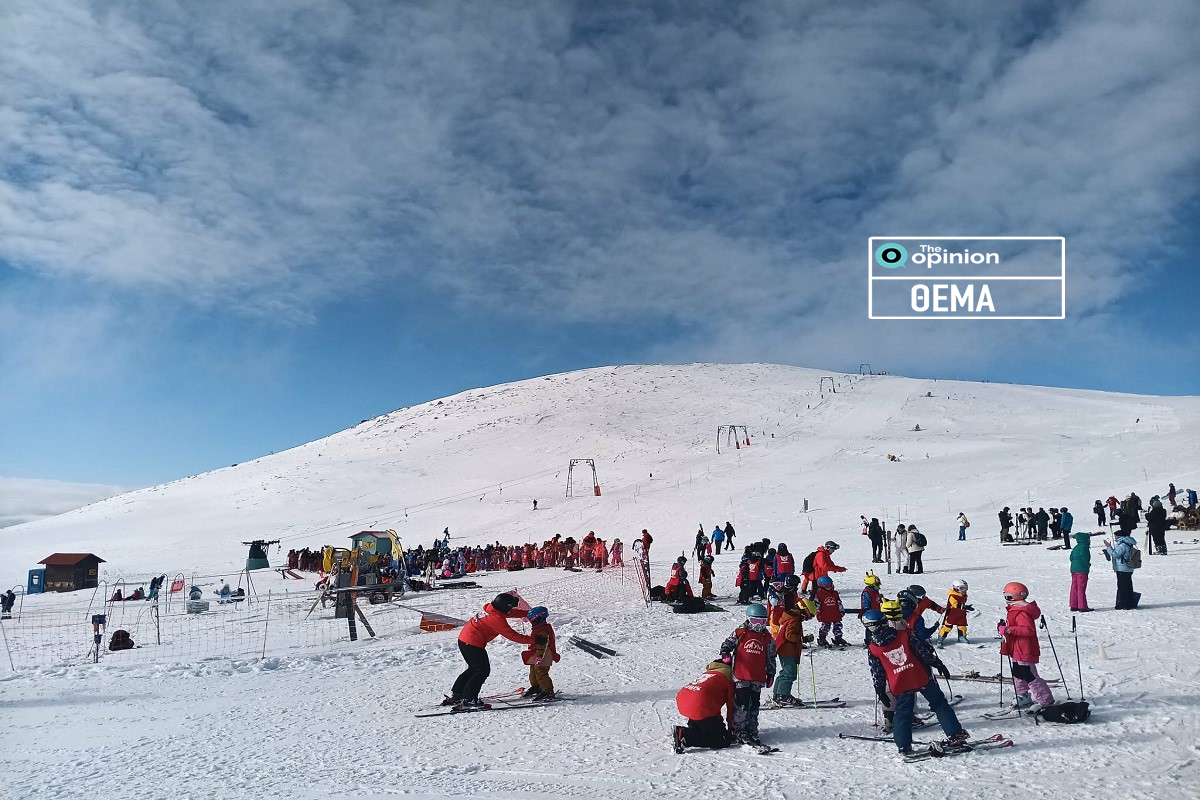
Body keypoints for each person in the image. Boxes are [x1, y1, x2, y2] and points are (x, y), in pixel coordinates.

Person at [864, 610, 967, 756]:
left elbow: (877, 671)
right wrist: (937, 663)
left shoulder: (873, 648)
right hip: (919, 676)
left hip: (899, 683)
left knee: (902, 713)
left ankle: (903, 746)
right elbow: (922, 651)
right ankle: (956, 735)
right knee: (939, 704)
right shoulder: (903, 634)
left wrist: (880, 689)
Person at [446, 592, 534, 709]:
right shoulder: (496, 619)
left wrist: (528, 613)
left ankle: (457, 694)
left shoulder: (491, 608)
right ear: (505, 607)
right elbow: (513, 635)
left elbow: (510, 612)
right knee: (482, 671)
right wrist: (533, 640)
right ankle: (469, 699)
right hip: (472, 643)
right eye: (510, 607)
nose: (511, 609)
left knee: (474, 669)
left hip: (465, 640)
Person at [719, 604, 777, 747]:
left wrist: (770, 673)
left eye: (762, 622)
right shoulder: (740, 633)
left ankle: (752, 728)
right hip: (741, 675)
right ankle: (739, 729)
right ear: (748, 619)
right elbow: (727, 644)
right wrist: (725, 653)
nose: (758, 625)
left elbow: (771, 657)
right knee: (742, 703)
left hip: (757, 676)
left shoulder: (767, 638)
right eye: (755, 621)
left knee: (754, 704)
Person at [999, 582, 1055, 713]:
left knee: (1029, 674)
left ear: (1013, 597)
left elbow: (1027, 630)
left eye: (1007, 596)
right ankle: (1022, 695)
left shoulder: (1021, 611)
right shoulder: (1016, 608)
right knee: (1018, 672)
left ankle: (1045, 700)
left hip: (1024, 648)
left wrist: (1008, 629)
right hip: (1016, 647)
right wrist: (1004, 627)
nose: (1006, 599)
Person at [673, 660, 736, 753]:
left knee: (705, 724)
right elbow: (731, 707)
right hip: (700, 706)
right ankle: (686, 736)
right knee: (723, 740)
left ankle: (692, 729)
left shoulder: (709, 673)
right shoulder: (729, 677)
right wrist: (731, 728)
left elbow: (711, 699)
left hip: (684, 699)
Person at [771, 597, 817, 706]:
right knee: (790, 673)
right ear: (805, 611)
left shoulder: (790, 617)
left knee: (785, 672)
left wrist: (802, 638)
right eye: (809, 616)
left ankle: (778, 694)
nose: (807, 619)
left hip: (784, 649)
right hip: (788, 651)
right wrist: (803, 639)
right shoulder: (794, 621)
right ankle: (783, 695)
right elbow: (789, 635)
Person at [522, 606, 560, 700]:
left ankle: (548, 691)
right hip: (537, 653)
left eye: (533, 620)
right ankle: (536, 687)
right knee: (533, 671)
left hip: (544, 654)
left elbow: (542, 645)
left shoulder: (543, 630)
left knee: (541, 672)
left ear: (539, 618)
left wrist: (539, 657)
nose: (531, 622)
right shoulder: (538, 628)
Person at [1102, 530, 1140, 610]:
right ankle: (1129, 603)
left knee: (1122, 587)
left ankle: (1123, 604)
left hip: (1122, 568)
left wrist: (1108, 547)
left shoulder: (1122, 545)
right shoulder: (1128, 543)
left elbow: (1115, 555)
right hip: (1128, 568)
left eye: (1115, 536)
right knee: (1128, 586)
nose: (1115, 538)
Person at [813, 576, 848, 648]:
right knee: (825, 626)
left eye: (830, 585)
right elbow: (816, 605)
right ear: (821, 586)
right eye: (827, 586)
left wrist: (841, 610)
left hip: (835, 613)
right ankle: (822, 638)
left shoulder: (835, 593)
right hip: (825, 614)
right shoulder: (819, 594)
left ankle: (838, 637)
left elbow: (839, 603)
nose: (829, 587)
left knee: (838, 626)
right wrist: (817, 613)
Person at [937, 580, 973, 646]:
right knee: (948, 626)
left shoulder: (963, 595)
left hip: (961, 613)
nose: (964, 590)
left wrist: (964, 607)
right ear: (956, 588)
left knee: (962, 626)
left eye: (965, 588)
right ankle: (941, 637)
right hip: (952, 614)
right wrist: (964, 607)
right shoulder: (953, 596)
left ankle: (961, 637)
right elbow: (955, 605)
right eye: (962, 588)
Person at [1069, 532, 1094, 612]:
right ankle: (1082, 606)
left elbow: (1071, 557)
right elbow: (1084, 557)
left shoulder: (1076, 547)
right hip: (1082, 569)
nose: (1089, 540)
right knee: (1081, 587)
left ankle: (1074, 605)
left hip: (1073, 569)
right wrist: (1088, 564)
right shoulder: (1084, 547)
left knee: (1074, 587)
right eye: (1088, 539)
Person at [859, 573, 883, 646]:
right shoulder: (867, 593)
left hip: (876, 614)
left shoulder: (875, 591)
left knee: (878, 627)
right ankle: (869, 641)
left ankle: (877, 639)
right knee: (870, 628)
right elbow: (866, 605)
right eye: (877, 585)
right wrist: (867, 614)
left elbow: (876, 600)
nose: (879, 587)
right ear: (871, 585)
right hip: (869, 615)